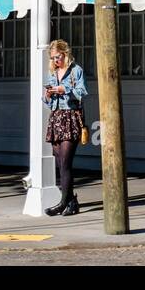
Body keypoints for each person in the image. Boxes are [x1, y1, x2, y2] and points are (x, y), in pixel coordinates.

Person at [42, 39, 87, 217]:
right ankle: (71, 202)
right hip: (56, 117)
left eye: (58, 57)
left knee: (66, 162)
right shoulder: (52, 73)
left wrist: (64, 89)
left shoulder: (76, 70)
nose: (55, 61)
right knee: (60, 162)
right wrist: (47, 94)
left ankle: (63, 202)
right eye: (52, 58)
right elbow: (46, 102)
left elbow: (82, 92)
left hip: (70, 117)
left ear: (65, 54)